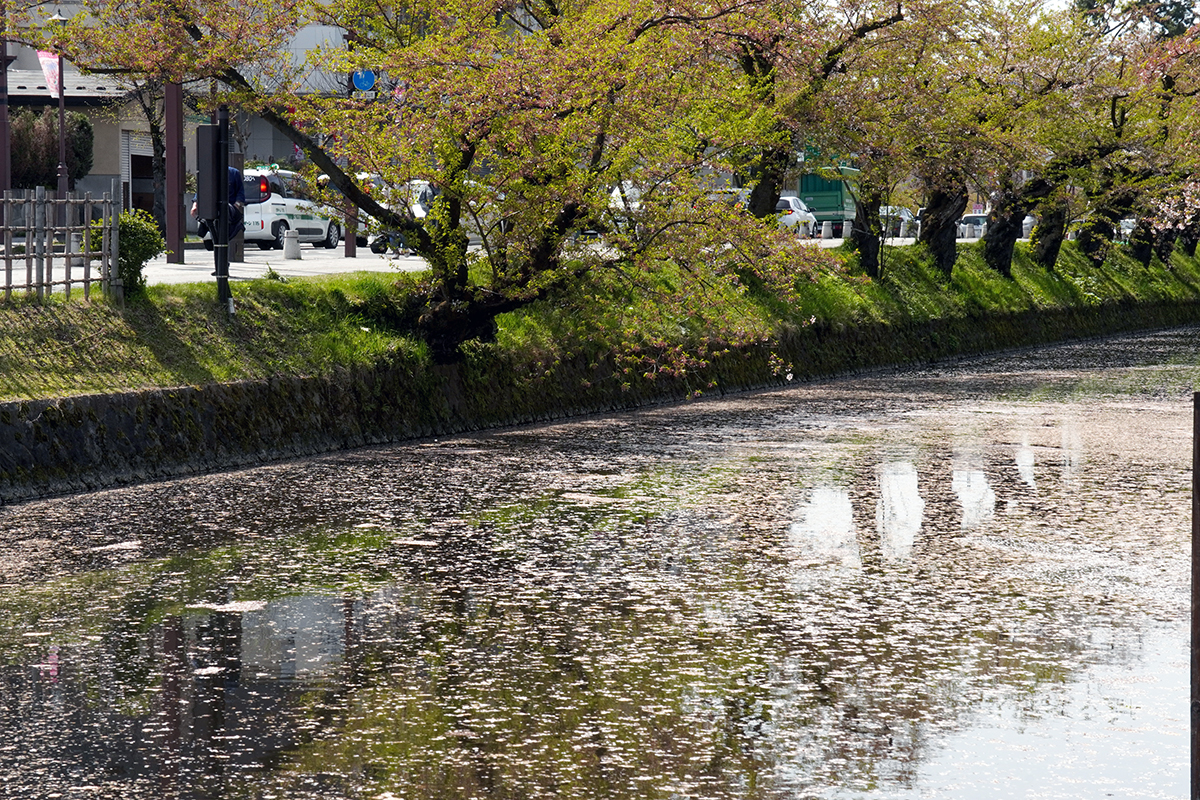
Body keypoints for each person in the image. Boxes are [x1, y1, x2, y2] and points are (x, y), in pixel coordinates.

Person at [191, 165, 246, 249]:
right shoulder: (208, 173)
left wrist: (236, 205)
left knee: (225, 234)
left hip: (228, 210)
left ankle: (222, 249)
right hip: (212, 208)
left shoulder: (234, 173)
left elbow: (240, 192)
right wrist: (195, 204)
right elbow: (201, 189)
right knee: (211, 229)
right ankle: (218, 248)